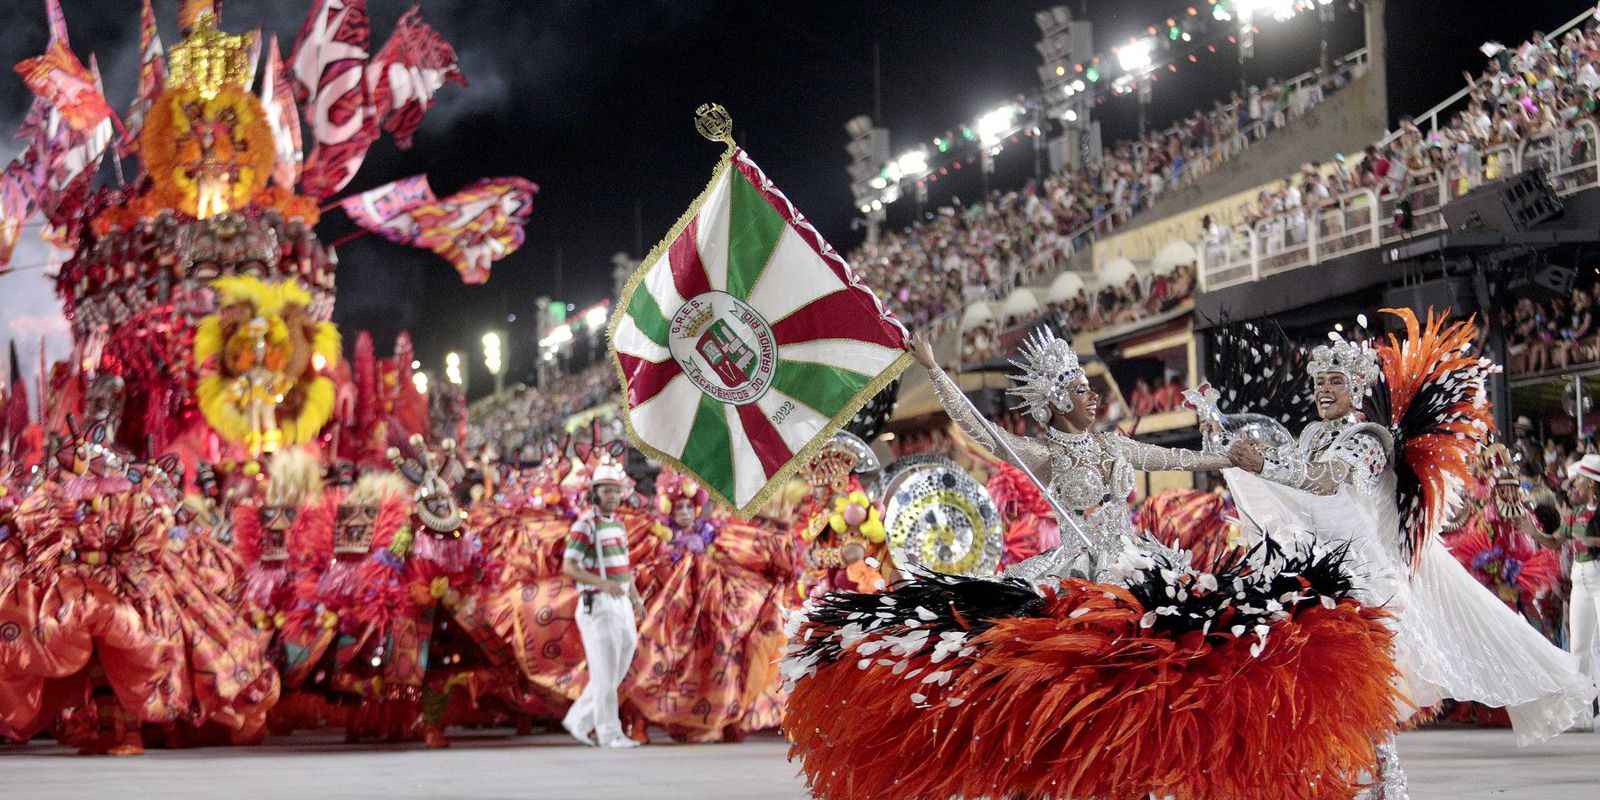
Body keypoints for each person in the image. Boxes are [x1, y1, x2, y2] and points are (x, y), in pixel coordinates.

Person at [782, 331, 1401, 800]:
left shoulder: (1113, 444)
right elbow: (982, 433)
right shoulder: (1045, 453)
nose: (1091, 392)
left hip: (1133, 560)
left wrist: (1228, 455)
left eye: (1087, 384)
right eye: (1078, 388)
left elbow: (1177, 456)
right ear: (1054, 405)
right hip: (1078, 567)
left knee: (1173, 664)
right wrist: (937, 371)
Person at [1220, 311, 1597, 799]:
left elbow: (1326, 481)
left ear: (1356, 390)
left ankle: (1386, 786)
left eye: (1335, 380)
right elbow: (1288, 480)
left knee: (1366, 695)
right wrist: (1220, 453)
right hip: (1316, 575)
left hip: (1366, 584)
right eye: (1319, 382)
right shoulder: (1311, 436)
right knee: (1316, 689)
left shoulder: (1369, 441)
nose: (1324, 390)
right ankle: (1335, 780)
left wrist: (1265, 463)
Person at [561, 456, 645, 748]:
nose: (612, 495)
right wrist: (602, 584)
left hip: (621, 603)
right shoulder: (585, 525)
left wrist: (636, 599)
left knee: (616, 668)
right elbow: (569, 566)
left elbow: (625, 565)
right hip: (597, 603)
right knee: (606, 671)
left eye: (616, 490)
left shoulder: (618, 525)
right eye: (606, 490)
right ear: (594, 492)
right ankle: (610, 733)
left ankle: (579, 720)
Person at [1560, 453, 1600, 724]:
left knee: (1598, 647)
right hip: (1580, 578)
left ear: (1593, 484)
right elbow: (1556, 539)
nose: (1576, 484)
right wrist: (1531, 530)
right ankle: (1582, 713)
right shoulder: (1576, 513)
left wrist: (1590, 539)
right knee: (1579, 648)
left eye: (1581, 480)